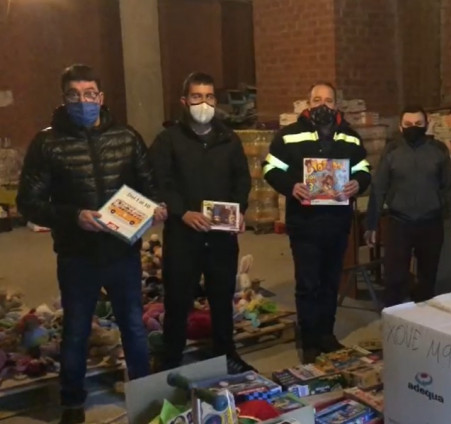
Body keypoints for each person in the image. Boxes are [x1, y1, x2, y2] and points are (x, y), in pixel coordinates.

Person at [16, 64, 167, 424]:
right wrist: (74, 216)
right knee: (76, 330)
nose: (83, 101)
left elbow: (150, 185)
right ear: (64, 99)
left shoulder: (126, 137)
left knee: (133, 326)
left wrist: (157, 207)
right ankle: (72, 403)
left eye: (89, 94)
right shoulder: (47, 143)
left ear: (100, 97)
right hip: (76, 255)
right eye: (74, 95)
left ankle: (144, 396)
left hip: (123, 252)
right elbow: (28, 202)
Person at [149, 72, 254, 374]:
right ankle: (171, 359)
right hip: (184, 235)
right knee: (178, 299)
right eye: (197, 97)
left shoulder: (228, 139)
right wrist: (182, 213)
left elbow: (241, 179)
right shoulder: (168, 139)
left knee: (222, 298)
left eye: (209, 97)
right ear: (185, 101)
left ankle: (226, 353)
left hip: (221, 235)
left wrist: (240, 211)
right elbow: (161, 182)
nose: (203, 103)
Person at [263, 82, 371, 363]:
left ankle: (326, 334)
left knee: (331, 280)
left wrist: (357, 183)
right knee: (308, 283)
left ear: (337, 105)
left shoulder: (350, 137)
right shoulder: (288, 136)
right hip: (305, 222)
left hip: (337, 222)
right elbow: (270, 167)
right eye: (317, 99)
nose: (323, 104)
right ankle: (309, 340)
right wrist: (292, 186)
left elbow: (364, 169)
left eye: (329, 99)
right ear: (307, 104)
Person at [364, 106, 451, 307]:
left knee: (427, 279)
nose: (414, 128)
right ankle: (394, 323)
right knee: (394, 278)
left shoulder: (438, 150)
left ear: (426, 125)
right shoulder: (392, 150)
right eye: (408, 124)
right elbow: (379, 188)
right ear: (401, 127)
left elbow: (450, 187)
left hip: (431, 223)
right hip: (399, 223)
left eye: (418, 124)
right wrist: (371, 224)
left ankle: (423, 323)